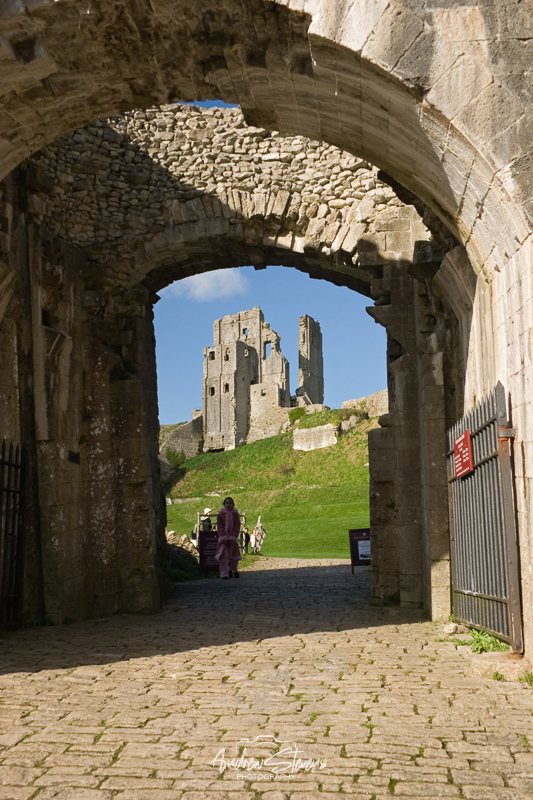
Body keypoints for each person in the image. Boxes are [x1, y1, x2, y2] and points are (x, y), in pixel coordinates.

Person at [216, 496, 242, 579]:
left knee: (233, 556)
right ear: (224, 504)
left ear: (233, 504)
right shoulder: (220, 514)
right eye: (227, 503)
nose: (228, 504)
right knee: (224, 555)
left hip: (232, 538)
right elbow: (219, 526)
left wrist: (233, 537)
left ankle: (234, 570)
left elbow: (237, 526)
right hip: (224, 538)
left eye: (230, 503)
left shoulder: (235, 514)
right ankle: (224, 574)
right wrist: (223, 537)